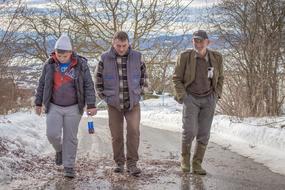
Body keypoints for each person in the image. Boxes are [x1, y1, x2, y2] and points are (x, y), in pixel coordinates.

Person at [34, 33, 97, 178]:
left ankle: (69, 166)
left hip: (74, 107)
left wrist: (91, 104)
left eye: (64, 55)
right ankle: (60, 150)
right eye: (58, 55)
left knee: (71, 137)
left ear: (70, 52)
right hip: (54, 105)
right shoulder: (49, 64)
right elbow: (42, 84)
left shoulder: (81, 64)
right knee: (52, 134)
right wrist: (38, 102)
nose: (61, 58)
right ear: (55, 52)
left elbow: (88, 84)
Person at [95, 31, 147, 176]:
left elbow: (145, 78)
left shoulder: (138, 56)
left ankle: (132, 164)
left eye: (124, 45)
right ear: (113, 43)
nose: (122, 49)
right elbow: (98, 81)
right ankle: (119, 163)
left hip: (133, 103)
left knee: (133, 132)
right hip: (114, 104)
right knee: (116, 135)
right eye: (119, 45)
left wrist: (139, 93)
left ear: (128, 43)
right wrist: (106, 98)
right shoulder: (104, 58)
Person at [172, 30, 224, 175]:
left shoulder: (216, 57)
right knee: (189, 131)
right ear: (192, 42)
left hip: (209, 99)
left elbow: (221, 78)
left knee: (204, 133)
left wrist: (217, 94)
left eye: (201, 41)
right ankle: (185, 161)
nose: (198, 44)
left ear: (208, 42)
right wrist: (184, 96)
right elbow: (176, 78)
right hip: (191, 98)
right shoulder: (185, 57)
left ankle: (197, 164)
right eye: (195, 41)